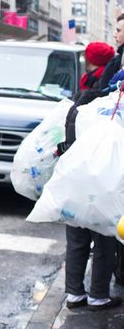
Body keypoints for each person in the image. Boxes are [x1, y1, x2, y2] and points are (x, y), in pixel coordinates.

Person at [62, 42, 122, 311]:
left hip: (76, 180)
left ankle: (74, 293)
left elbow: (66, 139)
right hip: (105, 183)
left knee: (76, 239)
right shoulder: (113, 112)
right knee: (104, 240)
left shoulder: (80, 106)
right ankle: (98, 295)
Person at [98, 13, 124, 89]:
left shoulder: (116, 62)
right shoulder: (117, 60)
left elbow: (103, 91)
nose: (115, 35)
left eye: (118, 31)